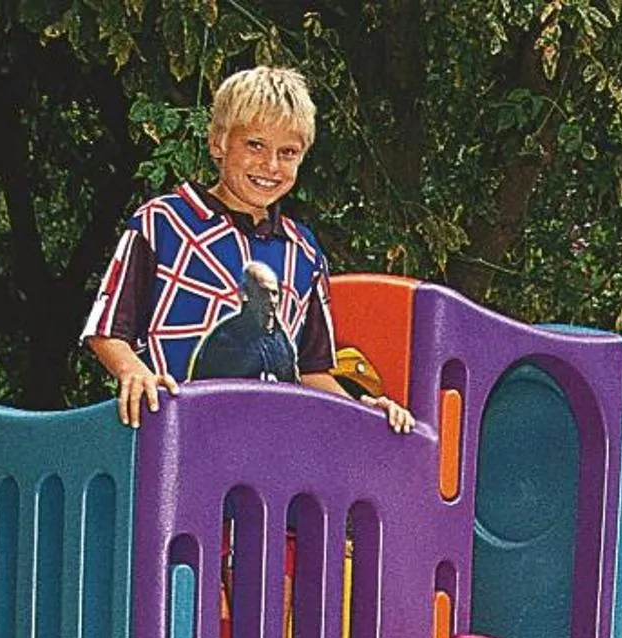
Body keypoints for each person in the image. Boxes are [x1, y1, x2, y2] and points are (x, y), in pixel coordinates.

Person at [80, 65, 414, 434]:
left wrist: (361, 412)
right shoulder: (163, 222)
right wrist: (134, 373)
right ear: (218, 142)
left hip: (268, 454)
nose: (270, 165)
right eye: (255, 145)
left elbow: (311, 370)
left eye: (288, 152)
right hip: (176, 441)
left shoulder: (303, 252)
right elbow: (107, 329)